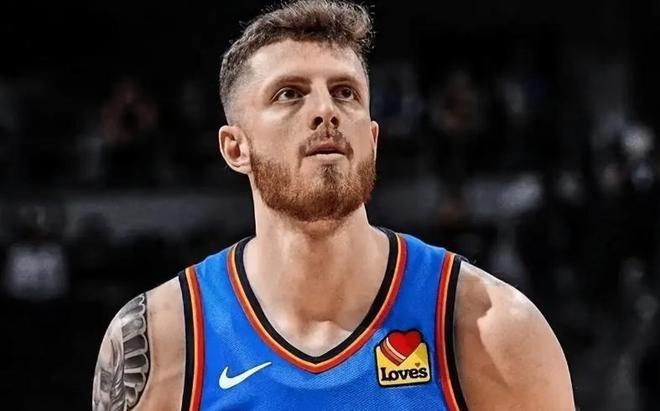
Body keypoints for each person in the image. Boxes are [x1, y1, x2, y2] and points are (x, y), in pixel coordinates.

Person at [92, 1, 575, 409]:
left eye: (345, 93)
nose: (325, 110)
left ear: (372, 138)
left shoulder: (493, 328)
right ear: (235, 148)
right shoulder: (162, 338)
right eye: (290, 94)